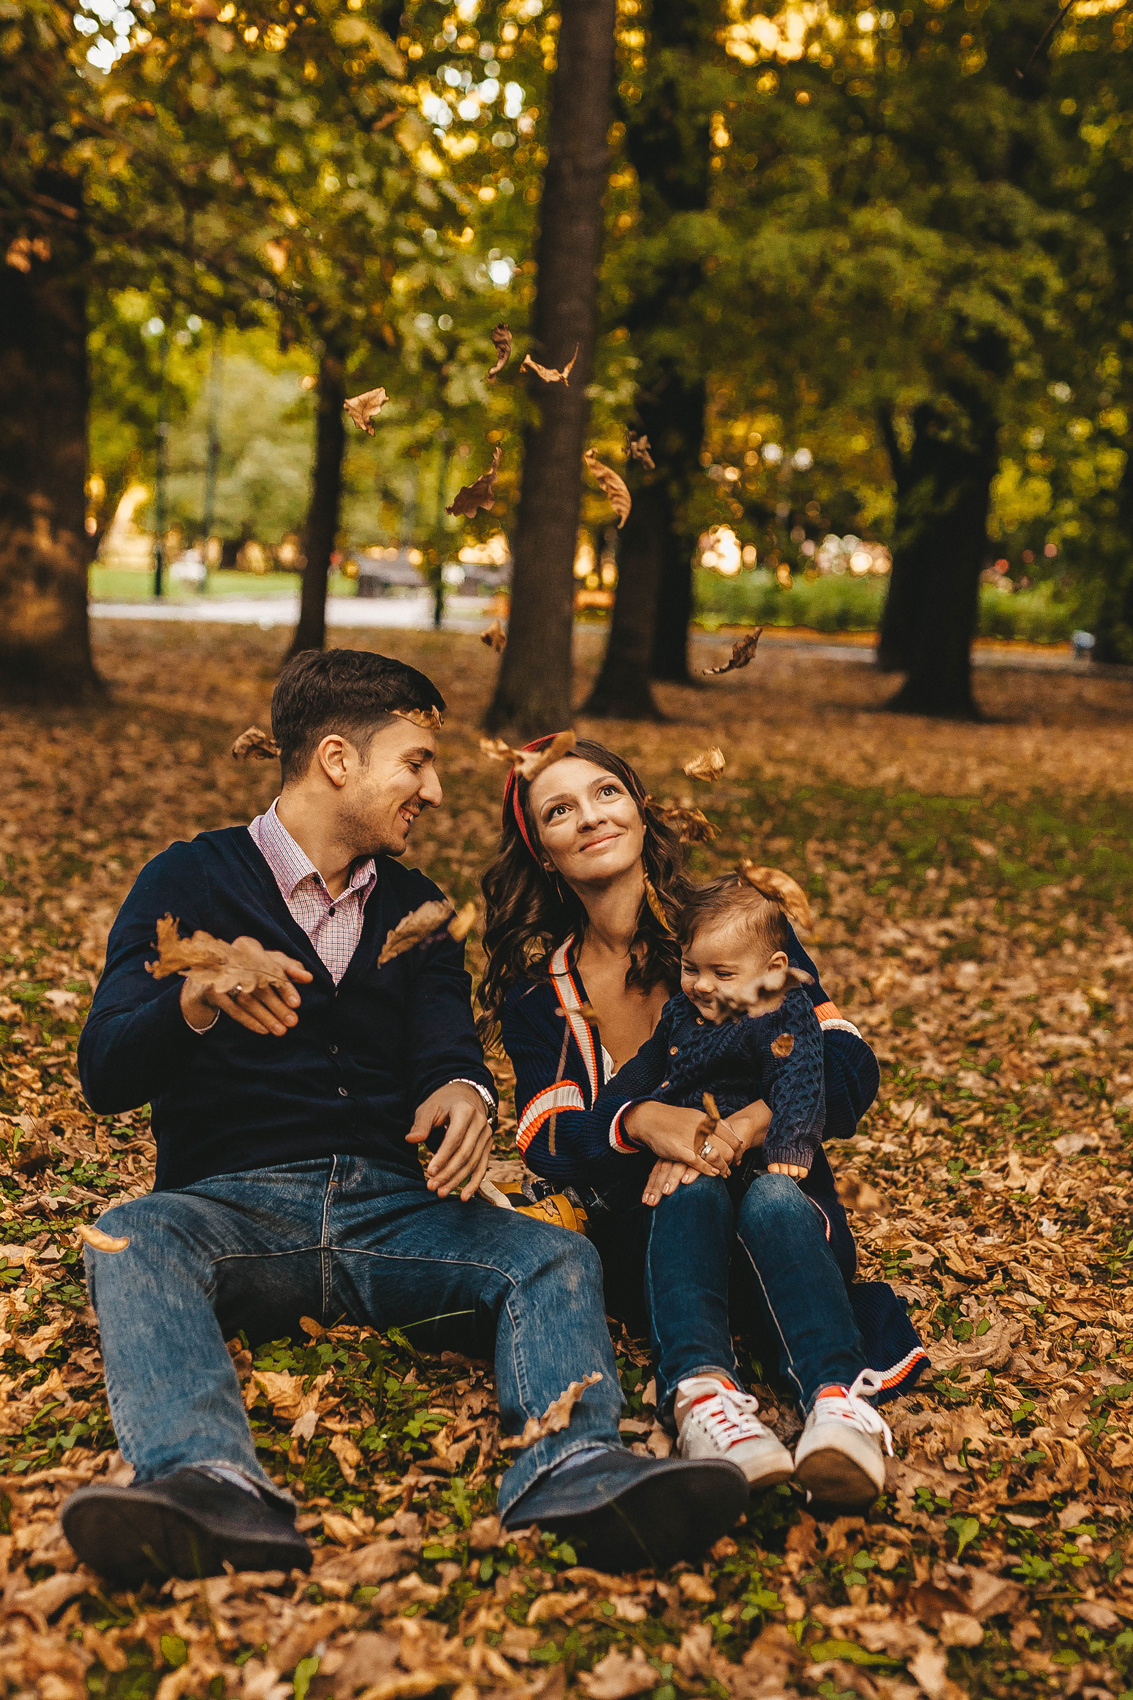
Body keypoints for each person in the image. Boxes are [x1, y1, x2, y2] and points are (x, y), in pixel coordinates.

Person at [63, 653, 750, 1583]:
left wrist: (464, 1095)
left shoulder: (419, 907)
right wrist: (194, 998)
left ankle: (574, 1468)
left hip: (397, 1216)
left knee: (552, 1255)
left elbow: (447, 1053)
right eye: (416, 763)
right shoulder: (187, 878)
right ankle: (202, 1481)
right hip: (232, 1209)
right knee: (131, 1237)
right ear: (337, 759)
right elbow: (104, 1071)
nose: (432, 790)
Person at [480, 736, 929, 1509]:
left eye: (606, 792)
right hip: (653, 1238)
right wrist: (642, 1121)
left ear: (640, 808)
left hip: (780, 1216)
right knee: (687, 1195)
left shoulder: (735, 930)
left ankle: (836, 1407)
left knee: (770, 1203)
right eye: (558, 810)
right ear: (542, 853)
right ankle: (703, 1398)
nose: (590, 817)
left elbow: (845, 1065)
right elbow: (548, 1139)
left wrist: (748, 1122)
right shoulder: (540, 995)